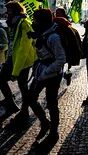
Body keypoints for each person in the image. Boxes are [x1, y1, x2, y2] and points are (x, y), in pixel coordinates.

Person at [27, 8, 66, 143]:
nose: (33, 22)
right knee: (30, 98)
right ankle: (45, 122)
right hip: (41, 71)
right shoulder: (42, 33)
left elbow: (61, 59)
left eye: (35, 20)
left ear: (41, 21)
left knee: (51, 103)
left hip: (52, 74)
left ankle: (54, 132)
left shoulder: (53, 37)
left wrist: (46, 72)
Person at [0, 1, 37, 124]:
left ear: (14, 11)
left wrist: (16, 71)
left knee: (22, 86)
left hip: (22, 60)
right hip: (12, 58)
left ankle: (24, 112)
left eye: (9, 11)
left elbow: (23, 49)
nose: (7, 13)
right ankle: (13, 106)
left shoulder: (24, 24)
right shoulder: (14, 23)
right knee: (3, 81)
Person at [54, 7, 82, 86]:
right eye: (56, 13)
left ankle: (57, 86)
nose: (57, 14)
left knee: (58, 69)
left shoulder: (66, 26)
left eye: (59, 13)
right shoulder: (54, 22)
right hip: (55, 51)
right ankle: (65, 75)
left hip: (62, 51)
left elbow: (73, 43)